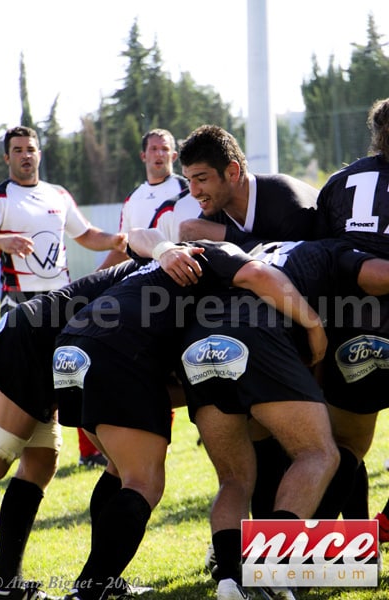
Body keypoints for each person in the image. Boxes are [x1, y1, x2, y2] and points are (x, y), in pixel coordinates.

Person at [128, 228, 389, 600]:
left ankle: (229, 579)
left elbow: (139, 240)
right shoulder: (334, 251)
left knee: (233, 479)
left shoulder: (243, 250)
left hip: (198, 343)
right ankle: (272, 567)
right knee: (318, 453)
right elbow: (377, 275)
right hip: (256, 333)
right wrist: (315, 326)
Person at [0, 125, 127, 600]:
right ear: (7, 158)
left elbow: (87, 235)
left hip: (63, 323)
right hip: (21, 326)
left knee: (42, 459)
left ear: (40, 153)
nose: (26, 156)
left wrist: (122, 239)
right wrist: (0, 243)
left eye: (31, 149)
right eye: (17, 151)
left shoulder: (57, 195)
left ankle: (6, 582)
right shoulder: (2, 198)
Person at [315, 96, 389, 532]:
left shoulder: (340, 182)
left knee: (345, 447)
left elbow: (320, 257)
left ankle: (311, 545)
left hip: (351, 328)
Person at [177, 124, 319, 247]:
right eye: (188, 180)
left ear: (232, 172)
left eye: (202, 179)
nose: (193, 192)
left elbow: (300, 264)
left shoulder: (285, 202)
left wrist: (228, 237)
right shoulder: (215, 209)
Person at [97, 127, 200, 270]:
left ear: (174, 156)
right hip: (143, 276)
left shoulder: (187, 189)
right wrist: (96, 276)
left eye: (165, 149)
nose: (159, 154)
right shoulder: (132, 199)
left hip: (181, 271)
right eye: (153, 149)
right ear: (143, 156)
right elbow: (124, 248)